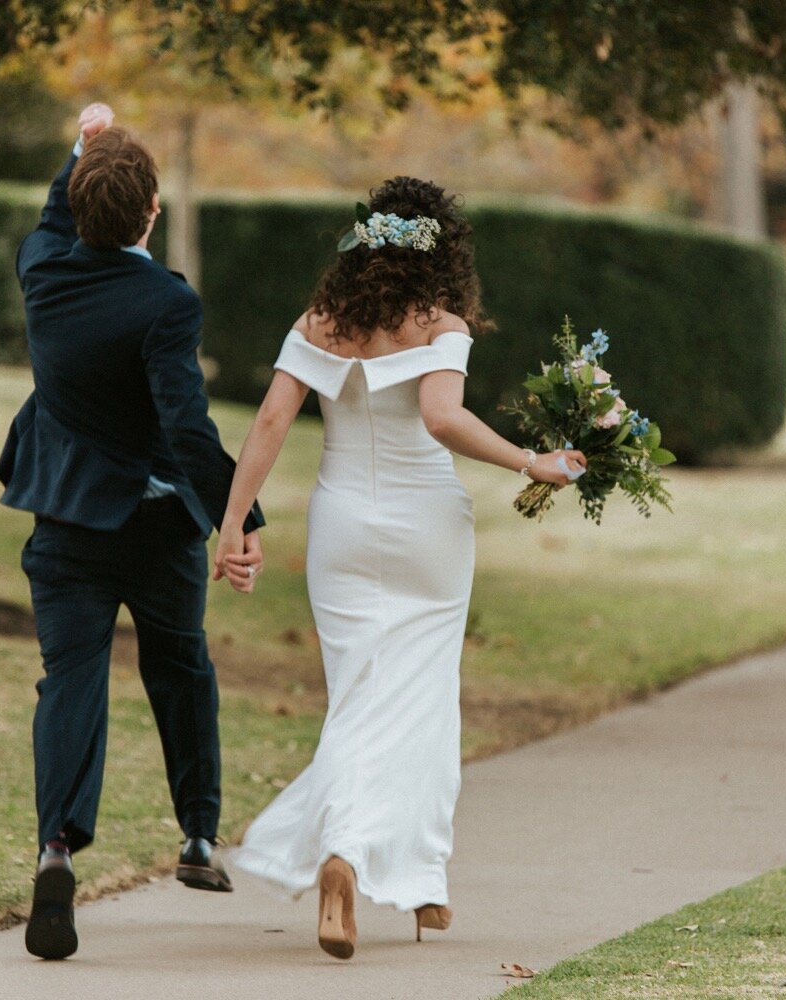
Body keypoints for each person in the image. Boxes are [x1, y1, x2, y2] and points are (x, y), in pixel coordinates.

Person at [213, 177, 584, 960]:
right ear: (443, 251)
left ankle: (399, 874)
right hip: (426, 532)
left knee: (357, 698)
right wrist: (531, 462)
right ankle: (379, 865)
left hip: (342, 527)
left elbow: (273, 420)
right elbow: (441, 417)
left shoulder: (320, 322)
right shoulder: (439, 325)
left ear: (364, 246)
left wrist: (233, 523)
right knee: (421, 699)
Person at [0, 103, 266, 961]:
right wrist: (238, 517)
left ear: (77, 208)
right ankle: (196, 836)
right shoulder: (165, 301)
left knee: (70, 679)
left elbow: (49, 218)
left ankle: (57, 848)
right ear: (151, 212)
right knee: (179, 664)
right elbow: (186, 430)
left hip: (65, 518)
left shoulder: (41, 269)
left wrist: (81, 145)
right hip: (155, 531)